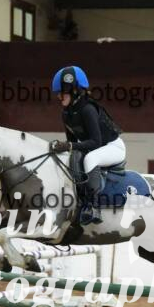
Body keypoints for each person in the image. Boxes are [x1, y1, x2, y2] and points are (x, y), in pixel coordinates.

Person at [49, 66, 124, 224]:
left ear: (75, 91)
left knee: (90, 158)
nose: (59, 96)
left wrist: (69, 146)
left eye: (63, 92)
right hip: (95, 148)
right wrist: (64, 148)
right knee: (72, 158)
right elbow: (73, 143)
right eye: (59, 92)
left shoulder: (88, 109)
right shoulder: (66, 114)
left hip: (113, 147)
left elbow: (96, 142)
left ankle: (94, 207)